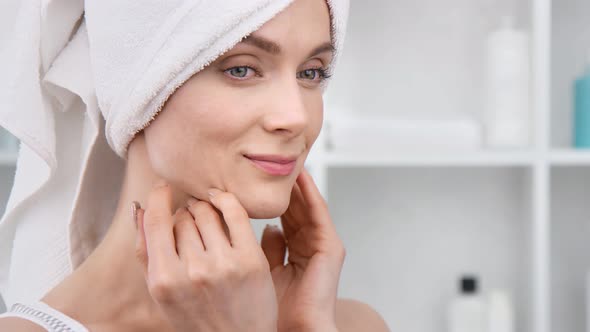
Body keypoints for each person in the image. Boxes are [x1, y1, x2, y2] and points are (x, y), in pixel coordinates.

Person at [0, 0, 390, 330]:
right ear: (140, 89)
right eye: (241, 69)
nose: (296, 117)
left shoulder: (350, 323)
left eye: (311, 72)